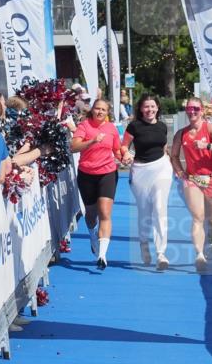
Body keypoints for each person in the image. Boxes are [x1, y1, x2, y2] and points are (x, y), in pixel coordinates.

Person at [170, 97, 212, 272]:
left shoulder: (210, 128)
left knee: (210, 218)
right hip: (193, 179)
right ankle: (199, 254)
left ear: (202, 110)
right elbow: (173, 155)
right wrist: (180, 171)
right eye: (189, 109)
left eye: (195, 109)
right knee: (198, 217)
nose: (192, 112)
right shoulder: (181, 133)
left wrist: (207, 145)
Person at [71, 98, 124, 270]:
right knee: (91, 213)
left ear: (107, 112)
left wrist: (124, 155)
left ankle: (102, 255)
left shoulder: (111, 129)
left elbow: (117, 149)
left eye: (103, 109)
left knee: (105, 213)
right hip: (87, 174)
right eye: (97, 108)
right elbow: (73, 147)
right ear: (92, 110)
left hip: (107, 173)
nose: (100, 112)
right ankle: (93, 236)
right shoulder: (84, 126)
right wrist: (92, 141)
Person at [121, 94, 172, 270]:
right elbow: (123, 146)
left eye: (153, 106)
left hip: (162, 168)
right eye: (146, 107)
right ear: (141, 109)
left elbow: (164, 148)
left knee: (159, 207)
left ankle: (161, 253)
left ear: (157, 107)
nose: (150, 110)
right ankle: (144, 243)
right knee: (145, 211)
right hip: (141, 170)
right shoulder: (134, 126)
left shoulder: (162, 126)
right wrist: (126, 154)